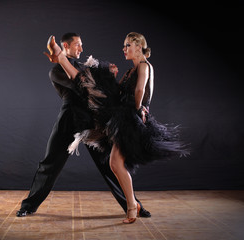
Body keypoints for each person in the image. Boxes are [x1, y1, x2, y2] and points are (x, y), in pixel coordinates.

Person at [45, 32, 189, 224]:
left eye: (127, 45)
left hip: (131, 119)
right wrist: (112, 75)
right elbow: (119, 92)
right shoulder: (131, 71)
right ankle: (133, 205)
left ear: (138, 47)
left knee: (115, 163)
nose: (124, 49)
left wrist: (139, 111)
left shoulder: (145, 65)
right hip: (122, 116)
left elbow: (141, 90)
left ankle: (132, 207)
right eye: (124, 45)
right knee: (114, 163)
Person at [16, 33, 151, 218]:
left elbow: (102, 90)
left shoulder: (83, 67)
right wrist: (62, 59)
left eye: (81, 45)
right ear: (66, 45)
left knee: (110, 166)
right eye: (78, 45)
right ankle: (28, 206)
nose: (81, 48)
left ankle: (135, 206)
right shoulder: (56, 71)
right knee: (50, 165)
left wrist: (111, 75)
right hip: (69, 120)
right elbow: (82, 86)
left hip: (91, 122)